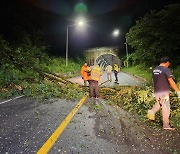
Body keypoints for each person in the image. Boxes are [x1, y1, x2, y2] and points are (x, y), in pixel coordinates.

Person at [147, 56, 180, 130]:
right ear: (167, 62)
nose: (169, 65)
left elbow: (155, 81)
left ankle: (165, 124)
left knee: (161, 104)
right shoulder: (166, 70)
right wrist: (178, 91)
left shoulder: (155, 70)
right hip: (164, 91)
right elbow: (171, 81)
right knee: (165, 108)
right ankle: (153, 112)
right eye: (169, 64)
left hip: (157, 91)